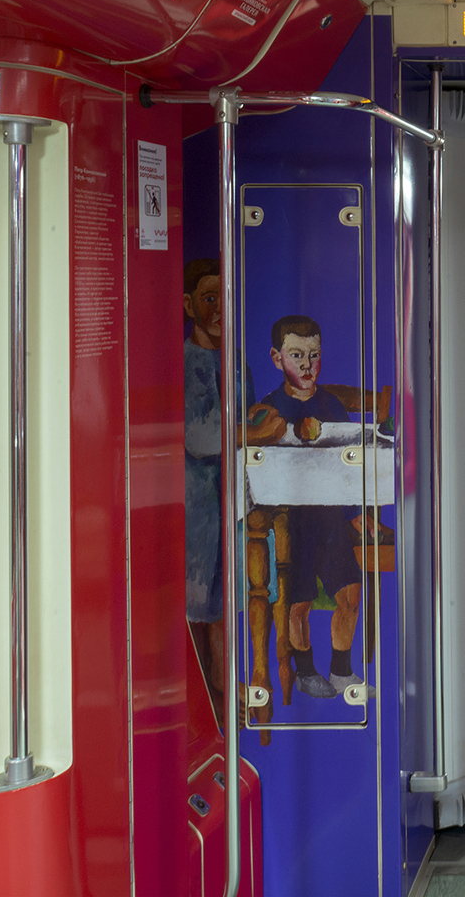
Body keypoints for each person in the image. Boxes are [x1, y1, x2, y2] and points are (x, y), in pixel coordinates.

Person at [183, 259, 285, 702]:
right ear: (190, 306)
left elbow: (239, 416)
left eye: (223, 297)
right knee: (200, 602)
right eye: (209, 298)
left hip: (233, 499)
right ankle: (208, 693)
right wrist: (254, 432)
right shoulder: (188, 361)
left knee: (227, 597)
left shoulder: (235, 358)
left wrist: (256, 417)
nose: (218, 308)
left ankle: (224, 686)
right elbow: (202, 436)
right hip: (199, 505)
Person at [257, 314, 364, 699]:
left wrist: (357, 516)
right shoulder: (267, 410)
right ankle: (305, 671)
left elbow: (350, 465)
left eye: (313, 355)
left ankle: (341, 670)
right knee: (296, 604)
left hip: (330, 518)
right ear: (277, 358)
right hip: (289, 523)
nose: (306, 364)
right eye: (296, 355)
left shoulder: (332, 406)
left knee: (350, 594)